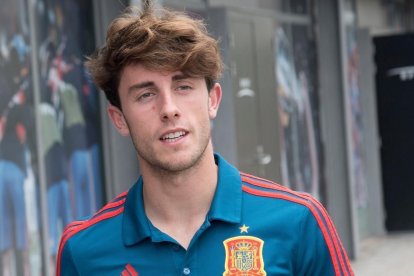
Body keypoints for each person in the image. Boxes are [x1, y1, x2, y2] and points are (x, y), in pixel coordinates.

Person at [56, 5, 354, 276]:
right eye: (146, 94)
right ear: (119, 118)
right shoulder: (83, 251)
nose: (169, 108)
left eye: (183, 86)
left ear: (213, 100)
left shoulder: (299, 222)